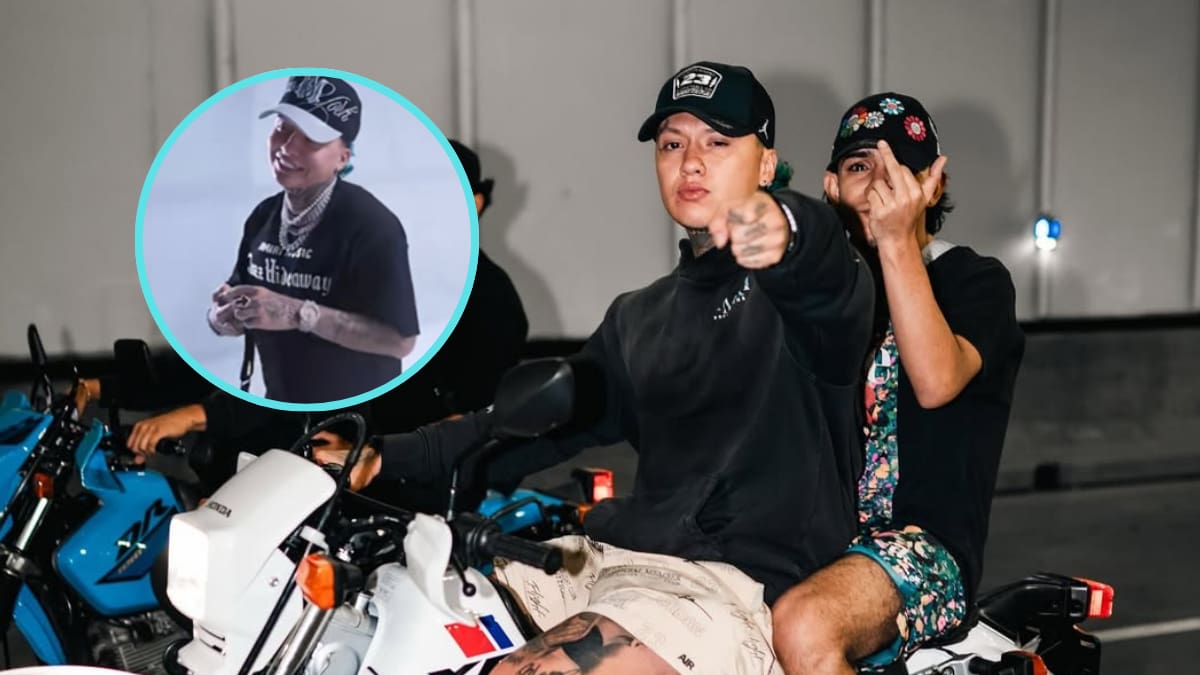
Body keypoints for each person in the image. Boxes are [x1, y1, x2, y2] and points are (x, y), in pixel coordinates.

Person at [317, 61, 874, 675]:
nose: (691, 162)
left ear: (766, 165)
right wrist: (381, 456)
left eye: (718, 142)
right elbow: (526, 423)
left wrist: (784, 224)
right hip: (612, 563)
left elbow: (822, 260)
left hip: (731, 589)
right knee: (385, 620)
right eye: (672, 144)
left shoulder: (805, 293)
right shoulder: (641, 316)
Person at [770, 93, 1026, 674]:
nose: (880, 185)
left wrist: (894, 241)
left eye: (901, 170)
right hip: (810, 536)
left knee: (805, 625)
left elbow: (937, 381)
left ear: (933, 186)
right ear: (832, 187)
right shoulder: (817, 293)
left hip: (925, 553)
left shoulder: (974, 281)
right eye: (861, 166)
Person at [208, 75, 420, 404]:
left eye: (310, 138)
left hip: (360, 414)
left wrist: (299, 314)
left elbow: (401, 341)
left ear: (343, 158)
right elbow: (238, 297)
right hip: (282, 407)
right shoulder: (263, 215)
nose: (287, 147)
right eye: (282, 128)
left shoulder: (372, 225)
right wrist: (222, 317)